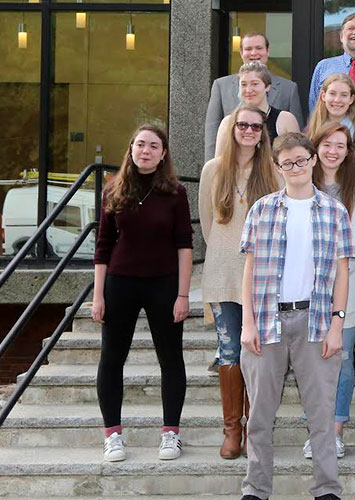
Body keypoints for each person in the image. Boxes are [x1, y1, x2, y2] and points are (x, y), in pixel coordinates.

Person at [232, 132, 353, 500]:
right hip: (266, 322)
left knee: (320, 415)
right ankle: (255, 490)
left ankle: (326, 492)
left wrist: (337, 325)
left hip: (316, 322)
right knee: (260, 416)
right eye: (288, 163)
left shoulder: (334, 211)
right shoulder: (262, 210)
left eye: (302, 160)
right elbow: (248, 270)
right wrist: (247, 322)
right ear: (277, 167)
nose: (296, 168)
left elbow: (341, 272)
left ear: (314, 160)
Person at [93, 125, 192, 463]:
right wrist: (98, 295)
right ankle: (113, 435)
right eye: (140, 144)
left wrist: (183, 294)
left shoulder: (176, 193)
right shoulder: (112, 191)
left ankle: (171, 434)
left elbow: (184, 246)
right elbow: (103, 247)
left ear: (163, 153)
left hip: (163, 284)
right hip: (120, 283)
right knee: (111, 359)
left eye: (153, 146)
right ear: (131, 149)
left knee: (171, 359)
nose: (145, 151)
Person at [199, 107, 280, 460]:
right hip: (221, 272)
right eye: (242, 125)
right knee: (229, 351)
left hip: (261, 277)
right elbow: (206, 221)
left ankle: (255, 427)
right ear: (232, 129)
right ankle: (232, 430)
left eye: (255, 126)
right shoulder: (214, 169)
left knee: (257, 354)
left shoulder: (273, 173)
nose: (248, 130)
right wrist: (224, 250)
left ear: (263, 132)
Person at [305, 122, 355, 460]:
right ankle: (315, 431)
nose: (333, 151)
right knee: (312, 365)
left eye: (340, 146)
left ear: (348, 152)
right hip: (305, 293)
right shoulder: (301, 186)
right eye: (327, 144)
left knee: (341, 363)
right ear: (316, 149)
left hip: (347, 290)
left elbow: (353, 246)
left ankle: (335, 432)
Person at [206, 31, 303, 160]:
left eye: (258, 48)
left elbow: (297, 147)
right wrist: (210, 166)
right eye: (248, 49)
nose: (253, 53)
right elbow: (212, 131)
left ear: (267, 51)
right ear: (241, 53)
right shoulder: (220, 86)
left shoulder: (289, 88)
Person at [306, 73, 355, 185]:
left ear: (351, 99)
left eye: (344, 95)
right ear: (323, 96)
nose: (337, 100)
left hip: (353, 197)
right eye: (332, 94)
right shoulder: (310, 132)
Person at [214, 63, 300, 156]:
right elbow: (219, 164)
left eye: (254, 84)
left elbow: (297, 159)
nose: (248, 90)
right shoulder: (228, 123)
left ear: (267, 87)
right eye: (243, 84)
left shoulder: (285, 120)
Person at [308, 13, 355, 113]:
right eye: (351, 28)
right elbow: (314, 107)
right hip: (330, 128)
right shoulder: (324, 66)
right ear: (341, 36)